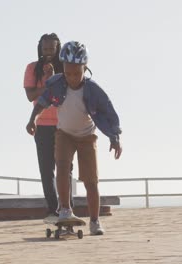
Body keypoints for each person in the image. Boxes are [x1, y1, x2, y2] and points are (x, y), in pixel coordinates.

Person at [26, 41, 122, 235]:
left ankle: (95, 221)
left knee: (91, 181)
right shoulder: (56, 84)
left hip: (87, 137)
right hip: (64, 134)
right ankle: (65, 210)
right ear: (63, 69)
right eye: (68, 73)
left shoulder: (93, 89)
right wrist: (33, 120)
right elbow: (41, 103)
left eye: (77, 73)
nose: (72, 78)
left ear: (85, 68)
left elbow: (109, 112)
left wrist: (115, 137)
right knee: (61, 168)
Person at [23, 33, 74, 220]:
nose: (48, 53)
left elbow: (68, 92)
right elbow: (31, 95)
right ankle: (52, 209)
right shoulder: (31, 68)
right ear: (40, 48)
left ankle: (68, 208)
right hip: (42, 124)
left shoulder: (67, 69)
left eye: (52, 49)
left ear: (58, 49)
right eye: (45, 49)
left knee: (66, 168)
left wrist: (54, 77)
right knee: (46, 170)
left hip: (64, 124)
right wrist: (47, 80)